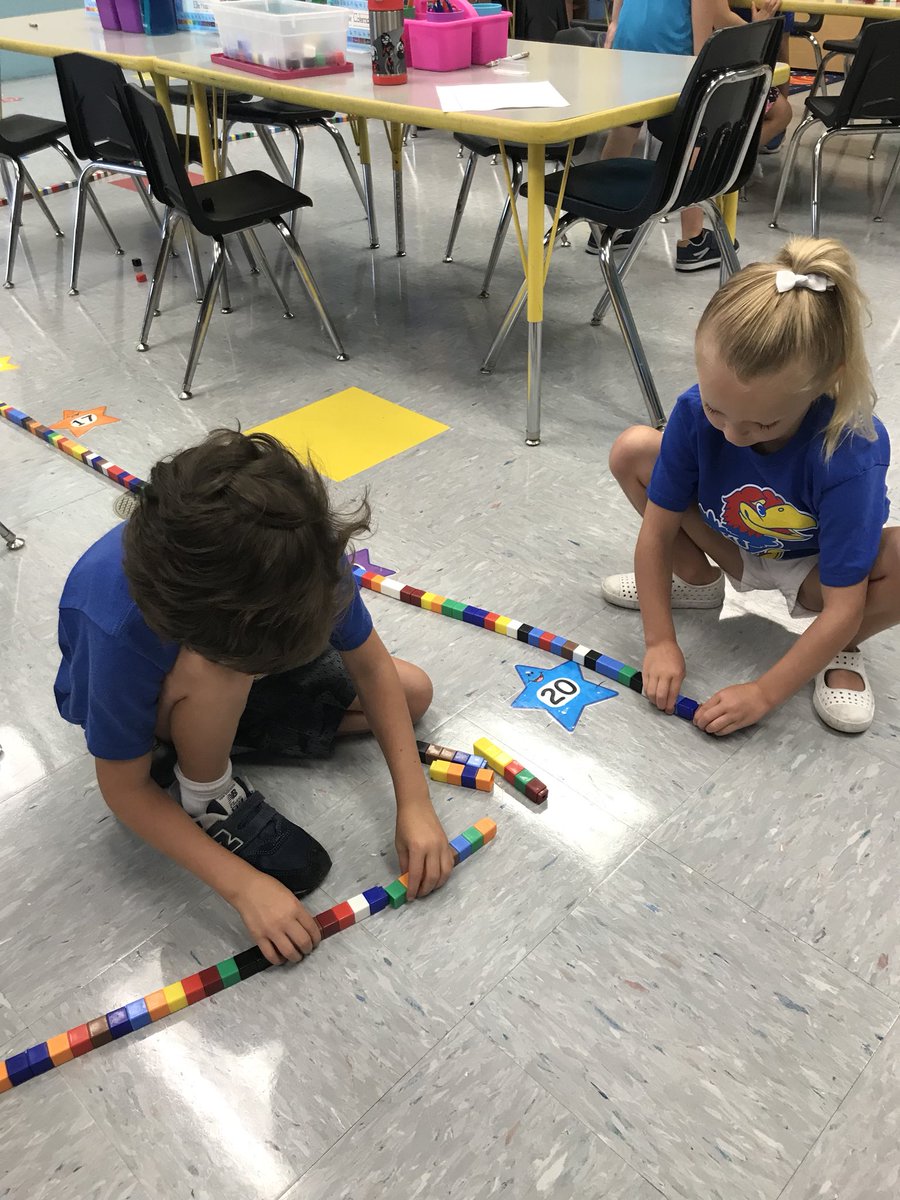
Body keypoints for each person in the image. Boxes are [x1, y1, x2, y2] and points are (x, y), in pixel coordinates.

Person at [55, 430, 452, 966]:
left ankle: (218, 731)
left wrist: (415, 802)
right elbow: (123, 788)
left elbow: (373, 666)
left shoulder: (302, 556)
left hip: (230, 655)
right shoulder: (116, 623)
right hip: (165, 700)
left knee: (412, 693)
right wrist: (243, 888)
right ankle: (206, 792)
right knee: (219, 674)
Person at [600, 236, 900, 735]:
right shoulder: (695, 412)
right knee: (633, 449)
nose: (735, 436)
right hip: (730, 541)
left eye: (764, 425)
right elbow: (656, 534)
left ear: (826, 379)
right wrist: (658, 641)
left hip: (813, 573)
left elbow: (844, 603)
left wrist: (763, 694)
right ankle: (695, 583)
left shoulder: (850, 450)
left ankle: (840, 648)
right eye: (718, 410)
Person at [594, 0, 791, 270]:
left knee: (625, 129)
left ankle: (606, 223)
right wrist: (758, 29)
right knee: (708, 128)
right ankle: (693, 238)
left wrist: (615, 26)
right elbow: (705, 45)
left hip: (627, 54)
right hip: (673, 64)